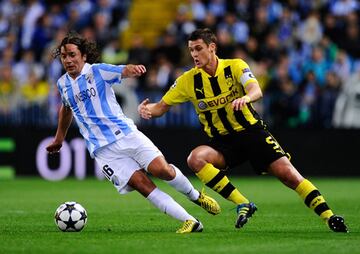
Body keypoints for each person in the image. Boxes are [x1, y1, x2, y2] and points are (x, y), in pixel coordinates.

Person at [138, 28, 348, 233]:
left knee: (289, 175)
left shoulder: (235, 66)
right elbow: (161, 108)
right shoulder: (187, 81)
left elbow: (255, 89)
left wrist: (246, 98)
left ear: (212, 48)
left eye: (198, 48)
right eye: (191, 50)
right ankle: (244, 203)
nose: (194, 54)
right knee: (195, 159)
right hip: (223, 142)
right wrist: (146, 109)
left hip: (251, 133)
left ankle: (330, 217)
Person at [46, 32, 221, 234]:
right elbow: (66, 109)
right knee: (142, 185)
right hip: (103, 151)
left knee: (162, 170)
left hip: (127, 134)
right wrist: (59, 138)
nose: (67, 60)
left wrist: (133, 69)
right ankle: (190, 221)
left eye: (72, 54)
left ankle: (195, 197)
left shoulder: (98, 72)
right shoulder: (63, 84)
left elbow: (122, 70)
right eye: (63, 56)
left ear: (83, 56)